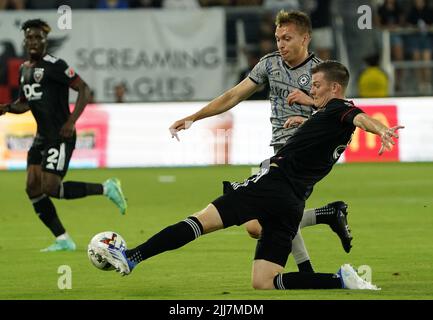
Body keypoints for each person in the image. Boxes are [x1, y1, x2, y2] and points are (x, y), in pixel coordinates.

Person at [96, 61, 402, 290]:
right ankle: (340, 281)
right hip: (292, 201)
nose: (313, 88)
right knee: (264, 281)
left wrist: (382, 130)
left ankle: (133, 256)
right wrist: (305, 115)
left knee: (200, 221)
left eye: (318, 85)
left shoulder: (341, 108)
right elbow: (335, 118)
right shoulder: (328, 114)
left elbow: (359, 117)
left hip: (272, 184)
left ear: (335, 88)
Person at [169, 10, 352, 274]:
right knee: (260, 224)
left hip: (304, 155)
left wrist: (310, 102)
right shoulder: (269, 64)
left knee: (266, 217)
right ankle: (324, 224)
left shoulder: (321, 72)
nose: (281, 44)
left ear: (305, 38)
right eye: (278, 38)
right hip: (280, 150)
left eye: (287, 38)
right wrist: (194, 117)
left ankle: (310, 265)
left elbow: (338, 112)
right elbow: (233, 95)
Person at [0, 19, 127, 252]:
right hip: (41, 137)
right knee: (32, 187)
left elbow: (84, 89)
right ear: (24, 40)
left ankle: (106, 188)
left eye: (38, 37)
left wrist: (71, 121)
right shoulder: (24, 68)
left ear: (46, 41)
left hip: (60, 135)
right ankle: (63, 239)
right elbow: (25, 103)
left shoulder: (55, 65)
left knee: (50, 188)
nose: (34, 41)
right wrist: (7, 108)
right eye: (30, 37)